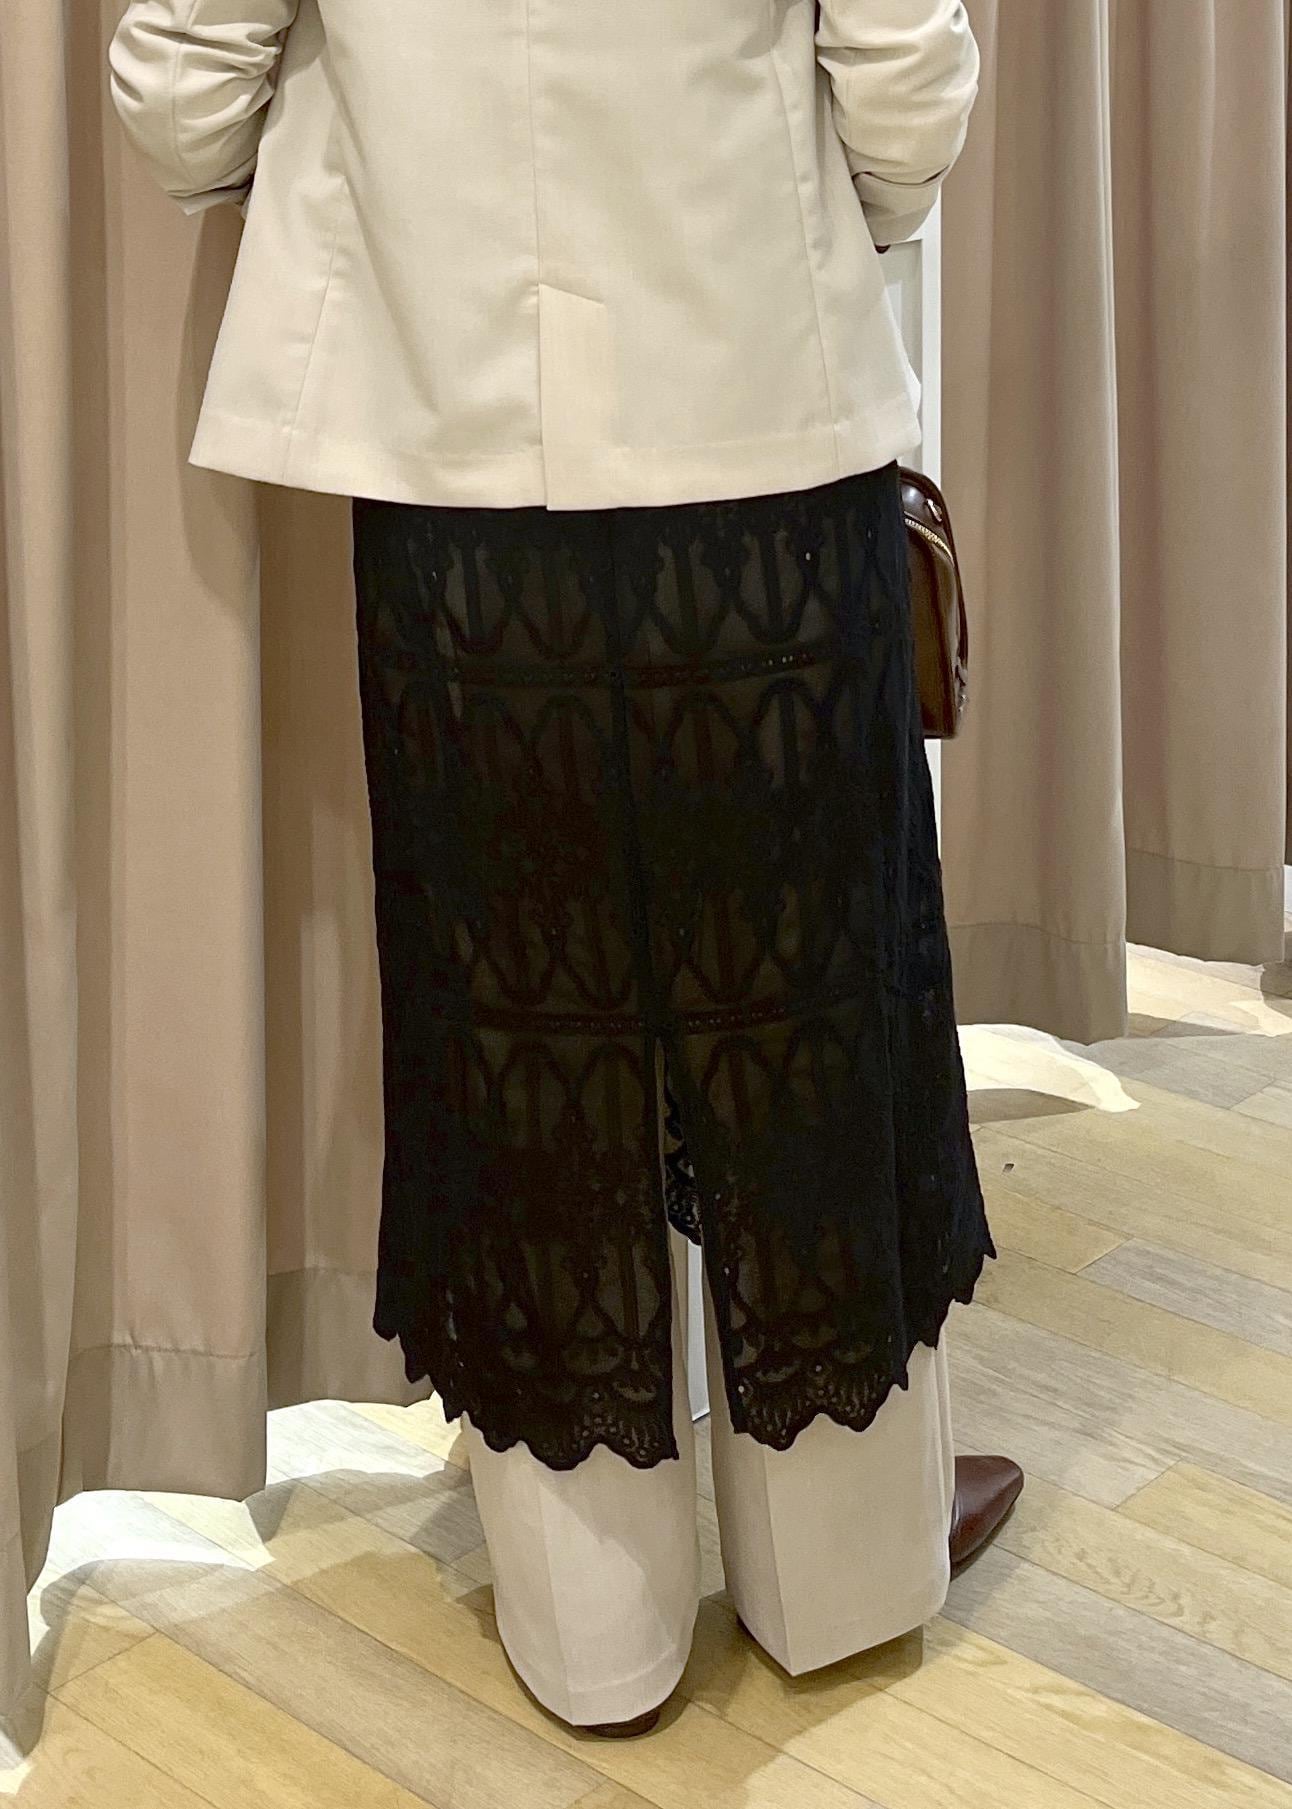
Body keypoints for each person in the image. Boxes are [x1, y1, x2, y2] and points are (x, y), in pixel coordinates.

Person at [109, 0, 1020, 1738]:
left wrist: (379, 190)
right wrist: (821, 216)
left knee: (520, 1028)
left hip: (453, 447)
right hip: (758, 411)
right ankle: (847, 1577)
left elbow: (175, 94)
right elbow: (905, 75)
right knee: (809, 1014)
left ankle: (592, 1633)